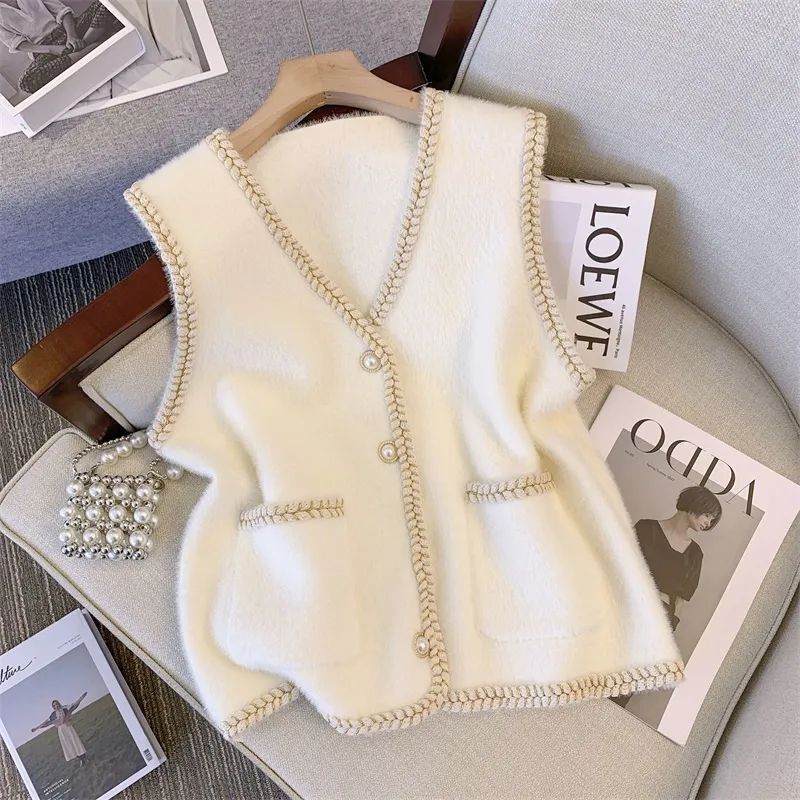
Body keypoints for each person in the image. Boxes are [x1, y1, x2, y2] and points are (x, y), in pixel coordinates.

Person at [634, 485, 722, 630]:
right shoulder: (645, 528)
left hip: (658, 621)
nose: (708, 524)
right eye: (707, 515)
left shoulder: (695, 554)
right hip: (627, 600)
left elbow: (681, 600)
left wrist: (670, 628)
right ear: (694, 504)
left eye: (712, 520)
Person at [0, 1, 123, 95]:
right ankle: (93, 47)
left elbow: (62, 11)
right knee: (26, 83)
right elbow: (17, 43)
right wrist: (52, 49)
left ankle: (84, 45)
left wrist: (72, 36)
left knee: (104, 4)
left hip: (67, 30)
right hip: (44, 50)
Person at [30, 691, 89, 766]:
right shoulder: (53, 714)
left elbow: (74, 705)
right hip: (61, 731)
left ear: (58, 703)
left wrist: (81, 698)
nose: (56, 706)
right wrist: (36, 728)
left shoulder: (65, 708)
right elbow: (45, 722)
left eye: (56, 704)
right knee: (69, 745)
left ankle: (84, 758)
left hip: (68, 727)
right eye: (54, 705)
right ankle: (80, 759)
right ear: (53, 707)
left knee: (75, 742)